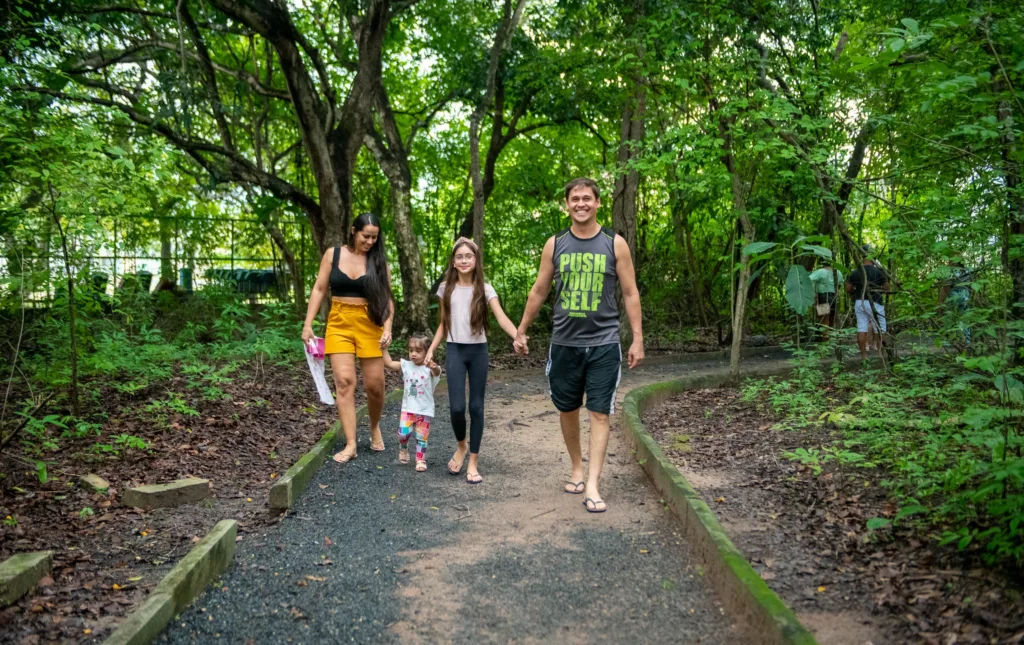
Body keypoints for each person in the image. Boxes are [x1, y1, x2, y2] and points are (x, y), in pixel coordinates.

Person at [513, 178, 644, 513]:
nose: (581, 203)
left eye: (587, 198)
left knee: (600, 413)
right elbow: (539, 290)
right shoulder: (555, 244)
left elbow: (630, 293)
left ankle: (594, 485)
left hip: (603, 343)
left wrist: (637, 338)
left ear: (598, 203)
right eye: (575, 199)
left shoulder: (615, 244)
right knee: (567, 409)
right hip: (564, 344)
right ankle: (576, 468)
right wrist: (522, 330)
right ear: (567, 205)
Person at [302, 213, 394, 464]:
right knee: (344, 382)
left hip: (369, 323)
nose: (370, 241)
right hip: (339, 322)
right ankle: (351, 443)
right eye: (366, 236)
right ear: (353, 231)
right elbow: (319, 289)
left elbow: (387, 300)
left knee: (375, 385)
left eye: (375, 237)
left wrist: (388, 328)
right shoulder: (333, 255)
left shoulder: (379, 263)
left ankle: (374, 426)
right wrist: (308, 324)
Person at [425, 238, 518, 484]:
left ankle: (473, 461)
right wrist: (431, 349)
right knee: (456, 407)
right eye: (460, 257)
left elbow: (501, 317)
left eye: (469, 256)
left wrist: (518, 336)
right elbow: (443, 325)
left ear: (476, 261)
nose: (464, 260)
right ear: (453, 262)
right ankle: (461, 446)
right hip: (455, 350)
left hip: (478, 352)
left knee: (476, 407)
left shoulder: (485, 289)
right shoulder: (446, 288)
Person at [380, 334, 441, 472]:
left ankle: (420, 459)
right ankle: (403, 447)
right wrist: (384, 350)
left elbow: (437, 372)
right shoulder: (406, 365)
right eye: (411, 350)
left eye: (418, 351)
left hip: (424, 410)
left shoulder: (429, 369)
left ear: (427, 352)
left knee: (422, 437)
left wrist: (433, 365)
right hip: (408, 409)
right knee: (403, 434)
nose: (413, 354)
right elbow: (389, 363)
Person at [845, 245, 889, 360]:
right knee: (880, 328)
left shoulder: (856, 272)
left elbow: (848, 289)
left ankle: (864, 356)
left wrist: (856, 289)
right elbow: (886, 288)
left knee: (862, 328)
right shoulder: (879, 271)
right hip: (877, 303)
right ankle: (880, 354)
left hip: (860, 302)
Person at [938, 258, 973, 345]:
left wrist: (945, 298)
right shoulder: (967, 270)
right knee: (960, 317)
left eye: (952, 261)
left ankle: (956, 339)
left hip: (958, 295)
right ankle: (962, 339)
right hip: (962, 295)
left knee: (954, 317)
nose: (950, 262)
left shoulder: (955, 271)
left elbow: (946, 286)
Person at [809, 261, 842, 329]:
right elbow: (840, 283)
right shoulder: (838, 272)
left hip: (822, 296)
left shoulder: (820, 271)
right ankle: (831, 337)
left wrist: (813, 292)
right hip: (834, 296)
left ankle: (826, 338)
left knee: (824, 319)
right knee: (832, 318)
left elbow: (809, 280)